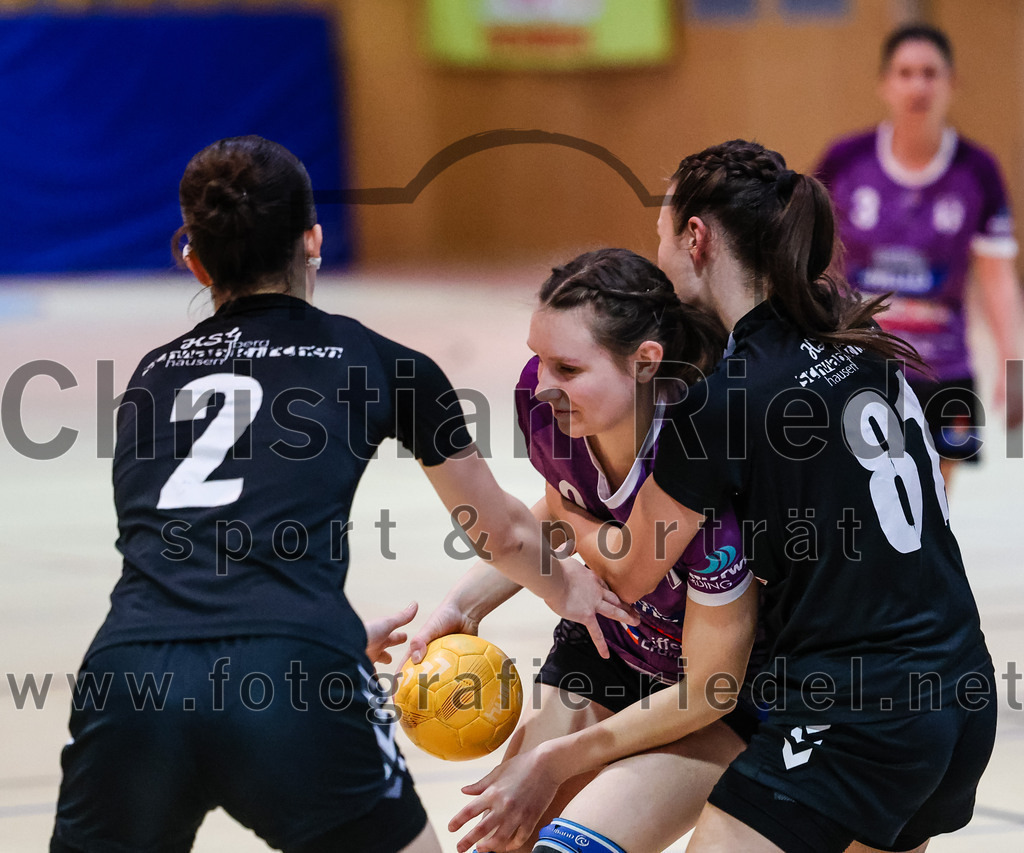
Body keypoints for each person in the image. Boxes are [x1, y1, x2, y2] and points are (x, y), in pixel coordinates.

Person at [48, 135, 636, 853]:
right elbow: (505, 532)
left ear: (194, 261)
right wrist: (564, 588)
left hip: (128, 677)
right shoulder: (384, 362)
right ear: (313, 241)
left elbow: (188, 557)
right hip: (292, 674)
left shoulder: (149, 377)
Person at [449, 140, 997, 853]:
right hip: (961, 688)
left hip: (858, 710)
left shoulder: (720, 405)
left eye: (661, 230)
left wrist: (564, 511)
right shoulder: (854, 333)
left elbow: (629, 567)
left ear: (696, 237)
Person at [407, 249, 762, 853]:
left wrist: (556, 758)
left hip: (711, 699)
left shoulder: (701, 463)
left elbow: (711, 688)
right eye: (538, 358)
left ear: (646, 363)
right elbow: (558, 509)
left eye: (567, 368)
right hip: (608, 652)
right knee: (507, 836)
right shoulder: (544, 407)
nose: (542, 385)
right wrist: (464, 605)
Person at [816, 23, 1024, 488]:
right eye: (906, 73)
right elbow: (812, 262)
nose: (918, 85)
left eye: (930, 73)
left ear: (952, 83)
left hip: (943, 367)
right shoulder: (845, 162)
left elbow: (997, 277)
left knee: (935, 500)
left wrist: (1014, 366)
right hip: (859, 361)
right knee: (864, 496)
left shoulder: (978, 171)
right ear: (884, 84)